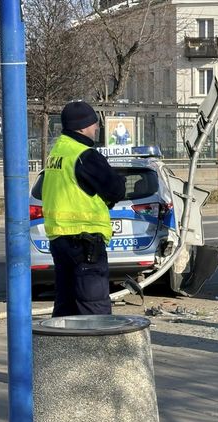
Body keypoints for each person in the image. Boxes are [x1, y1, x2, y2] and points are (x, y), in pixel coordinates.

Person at [42, 101, 126, 317]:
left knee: (66, 304)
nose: (96, 128)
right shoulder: (85, 155)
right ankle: (97, 350)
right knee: (93, 304)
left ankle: (62, 349)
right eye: (94, 123)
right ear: (82, 127)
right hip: (85, 242)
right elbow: (116, 190)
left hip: (59, 239)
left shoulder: (58, 152)